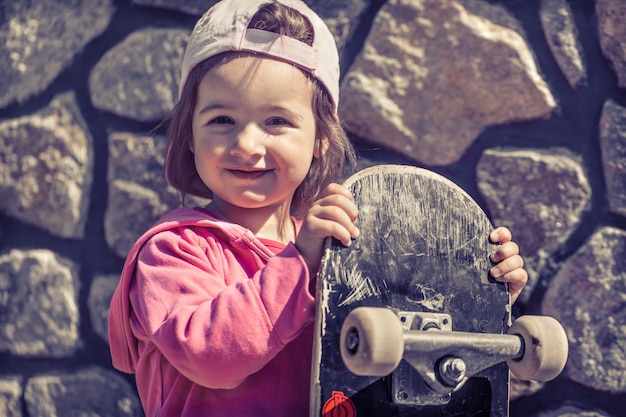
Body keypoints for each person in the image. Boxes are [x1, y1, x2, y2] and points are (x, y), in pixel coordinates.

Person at [107, 0, 528, 416]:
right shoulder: (172, 253)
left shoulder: (343, 248)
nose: (247, 145)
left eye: (276, 121)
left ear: (319, 139)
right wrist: (300, 263)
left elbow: (396, 360)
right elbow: (211, 357)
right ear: (190, 135)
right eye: (221, 120)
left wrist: (477, 299)